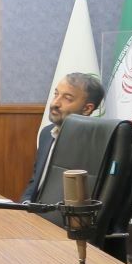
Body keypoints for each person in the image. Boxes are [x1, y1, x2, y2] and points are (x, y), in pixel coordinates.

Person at [21, 72, 105, 202]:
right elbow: (36, 182)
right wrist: (25, 203)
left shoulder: (95, 146)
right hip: (34, 211)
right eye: (56, 94)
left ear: (87, 109)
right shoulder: (46, 134)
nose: (55, 103)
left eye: (67, 98)